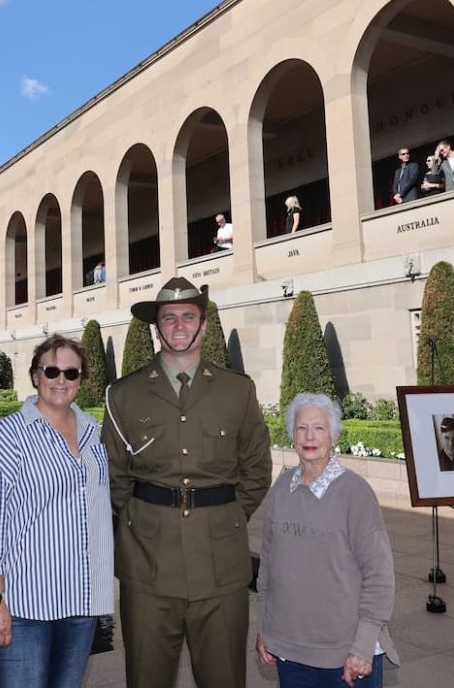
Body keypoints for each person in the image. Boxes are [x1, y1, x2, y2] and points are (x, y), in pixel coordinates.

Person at [102, 277, 272, 688]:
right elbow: (113, 476)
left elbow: (256, 468)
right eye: (169, 318)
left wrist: (225, 515)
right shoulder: (123, 395)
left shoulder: (238, 391)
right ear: (156, 327)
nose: (178, 325)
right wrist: (144, 520)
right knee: (146, 678)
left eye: (188, 317)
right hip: (147, 567)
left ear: (204, 326)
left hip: (221, 566)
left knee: (224, 679)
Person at [0, 335, 113, 688]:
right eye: (52, 370)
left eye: (71, 373)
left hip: (80, 602)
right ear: (35, 376)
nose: (61, 380)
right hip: (23, 607)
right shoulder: (9, 438)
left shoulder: (94, 435)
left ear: (81, 380)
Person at [256, 394, 400, 688]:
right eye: (302, 428)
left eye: (319, 428)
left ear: (333, 436)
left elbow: (379, 576)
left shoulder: (355, 494)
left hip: (346, 657)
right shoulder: (282, 488)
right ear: (291, 434)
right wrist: (264, 629)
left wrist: (362, 646)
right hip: (291, 654)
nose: (310, 436)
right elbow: (268, 568)